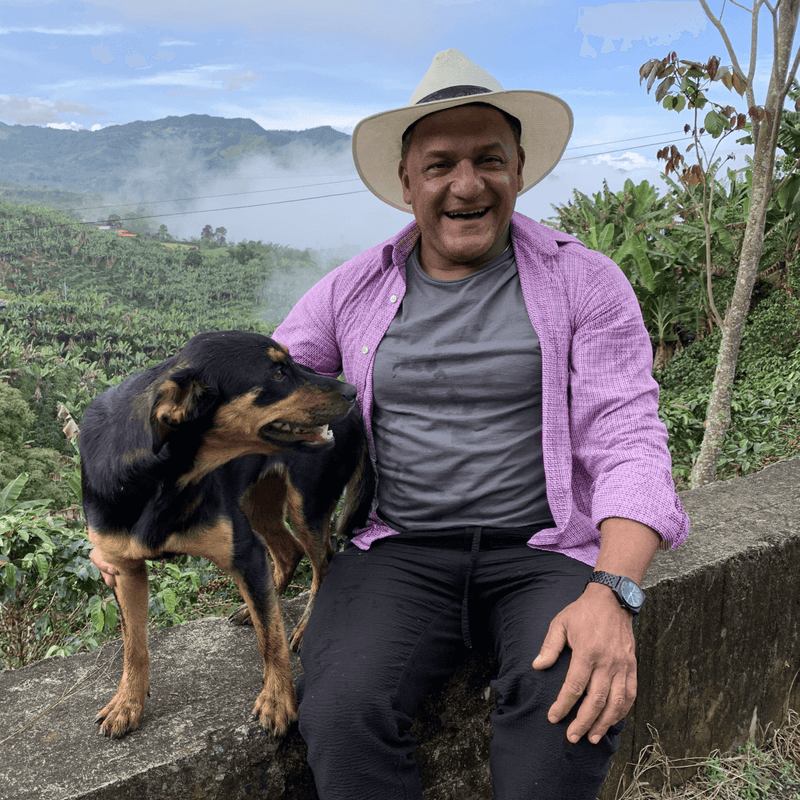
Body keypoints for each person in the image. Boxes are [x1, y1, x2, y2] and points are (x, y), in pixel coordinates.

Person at [91, 49, 689, 800]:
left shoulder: (586, 282)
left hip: (543, 551)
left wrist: (614, 592)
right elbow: (254, 403)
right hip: (399, 551)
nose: (465, 184)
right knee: (341, 714)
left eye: (488, 160)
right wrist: (124, 514)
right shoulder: (353, 289)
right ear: (408, 182)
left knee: (566, 714)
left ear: (520, 168)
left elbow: (628, 436)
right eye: (440, 164)